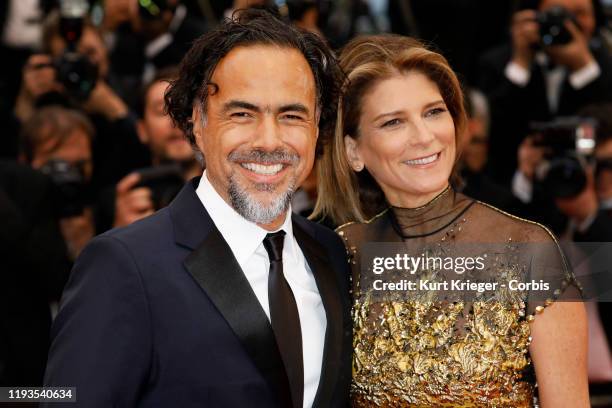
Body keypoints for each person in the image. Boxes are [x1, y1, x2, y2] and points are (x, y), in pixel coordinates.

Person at [42, 9, 350, 408]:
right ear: (197, 124)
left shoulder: (334, 254)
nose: (269, 140)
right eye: (242, 114)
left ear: (316, 129)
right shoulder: (122, 266)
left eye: (291, 115)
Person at [313, 34, 589, 406]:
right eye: (394, 122)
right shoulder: (342, 252)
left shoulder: (528, 251)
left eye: (433, 112)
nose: (425, 136)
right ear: (353, 151)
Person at [479, 0, 612, 185]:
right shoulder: (496, 63)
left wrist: (583, 67)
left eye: (580, 13)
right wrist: (521, 63)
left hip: (588, 187)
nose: (568, 23)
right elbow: (493, 135)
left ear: (596, 19)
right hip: (511, 187)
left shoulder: (605, 65)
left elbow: (604, 128)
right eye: (556, 13)